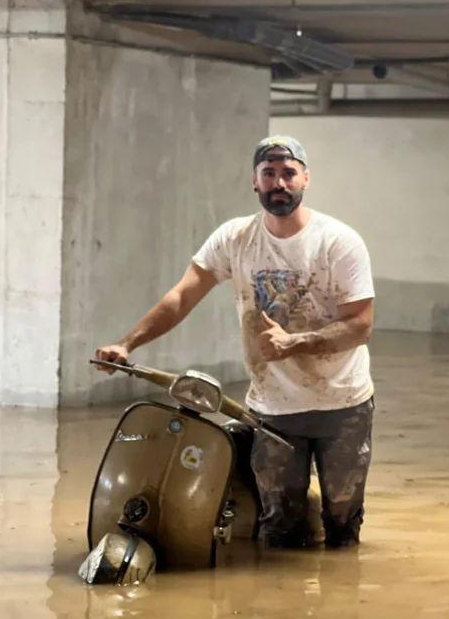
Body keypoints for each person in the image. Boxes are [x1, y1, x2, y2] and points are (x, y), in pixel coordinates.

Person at [95, 135, 375, 548]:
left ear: (305, 179)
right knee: (278, 526)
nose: (279, 182)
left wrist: (294, 343)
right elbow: (181, 297)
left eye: (288, 173)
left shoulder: (338, 242)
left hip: (343, 403)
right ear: (255, 182)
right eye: (269, 174)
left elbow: (360, 325)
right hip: (272, 408)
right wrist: (127, 344)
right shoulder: (235, 239)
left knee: (343, 523)